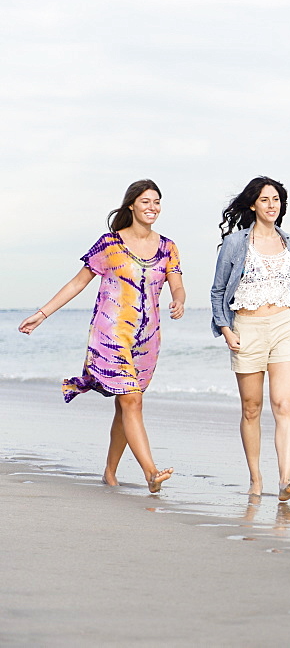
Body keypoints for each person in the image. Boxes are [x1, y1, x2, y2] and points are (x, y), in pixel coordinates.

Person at [18, 179, 184, 493]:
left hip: (147, 336)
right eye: (146, 201)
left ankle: (109, 472)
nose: (152, 207)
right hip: (110, 333)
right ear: (132, 205)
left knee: (128, 404)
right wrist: (42, 313)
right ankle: (151, 473)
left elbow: (176, 281)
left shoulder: (167, 247)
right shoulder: (109, 244)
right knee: (132, 400)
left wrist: (179, 299)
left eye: (157, 202)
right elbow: (77, 283)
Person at [211, 176, 290, 502]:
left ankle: (284, 480)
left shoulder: (289, 241)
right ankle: (255, 478)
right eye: (265, 199)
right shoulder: (236, 244)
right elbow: (218, 290)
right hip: (246, 329)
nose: (271, 205)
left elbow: (288, 287)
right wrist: (225, 329)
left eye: (276, 199)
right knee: (252, 408)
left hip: (284, 326)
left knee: (284, 405)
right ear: (253, 204)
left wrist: (288, 319)